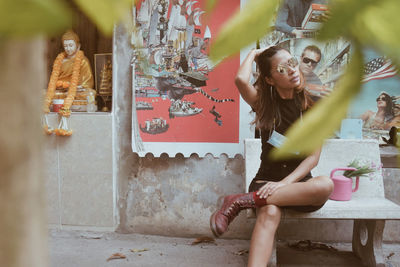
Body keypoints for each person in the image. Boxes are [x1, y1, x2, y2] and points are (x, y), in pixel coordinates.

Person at [209, 46, 334, 266]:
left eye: (292, 62)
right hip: (265, 182)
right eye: (282, 69)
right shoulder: (264, 104)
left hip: (298, 186)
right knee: (269, 214)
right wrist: (254, 54)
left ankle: (239, 202)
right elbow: (240, 80)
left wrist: (283, 185)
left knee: (325, 185)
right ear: (269, 79)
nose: (293, 70)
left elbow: (313, 158)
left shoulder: (314, 105)